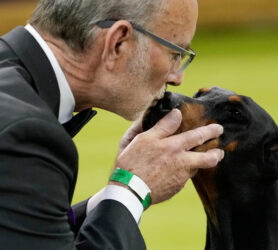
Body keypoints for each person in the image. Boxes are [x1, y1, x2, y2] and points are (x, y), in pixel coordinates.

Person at [0, 0, 225, 249]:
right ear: (118, 42)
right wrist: (132, 188)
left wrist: (113, 197)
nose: (177, 77)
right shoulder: (24, 133)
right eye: (175, 54)